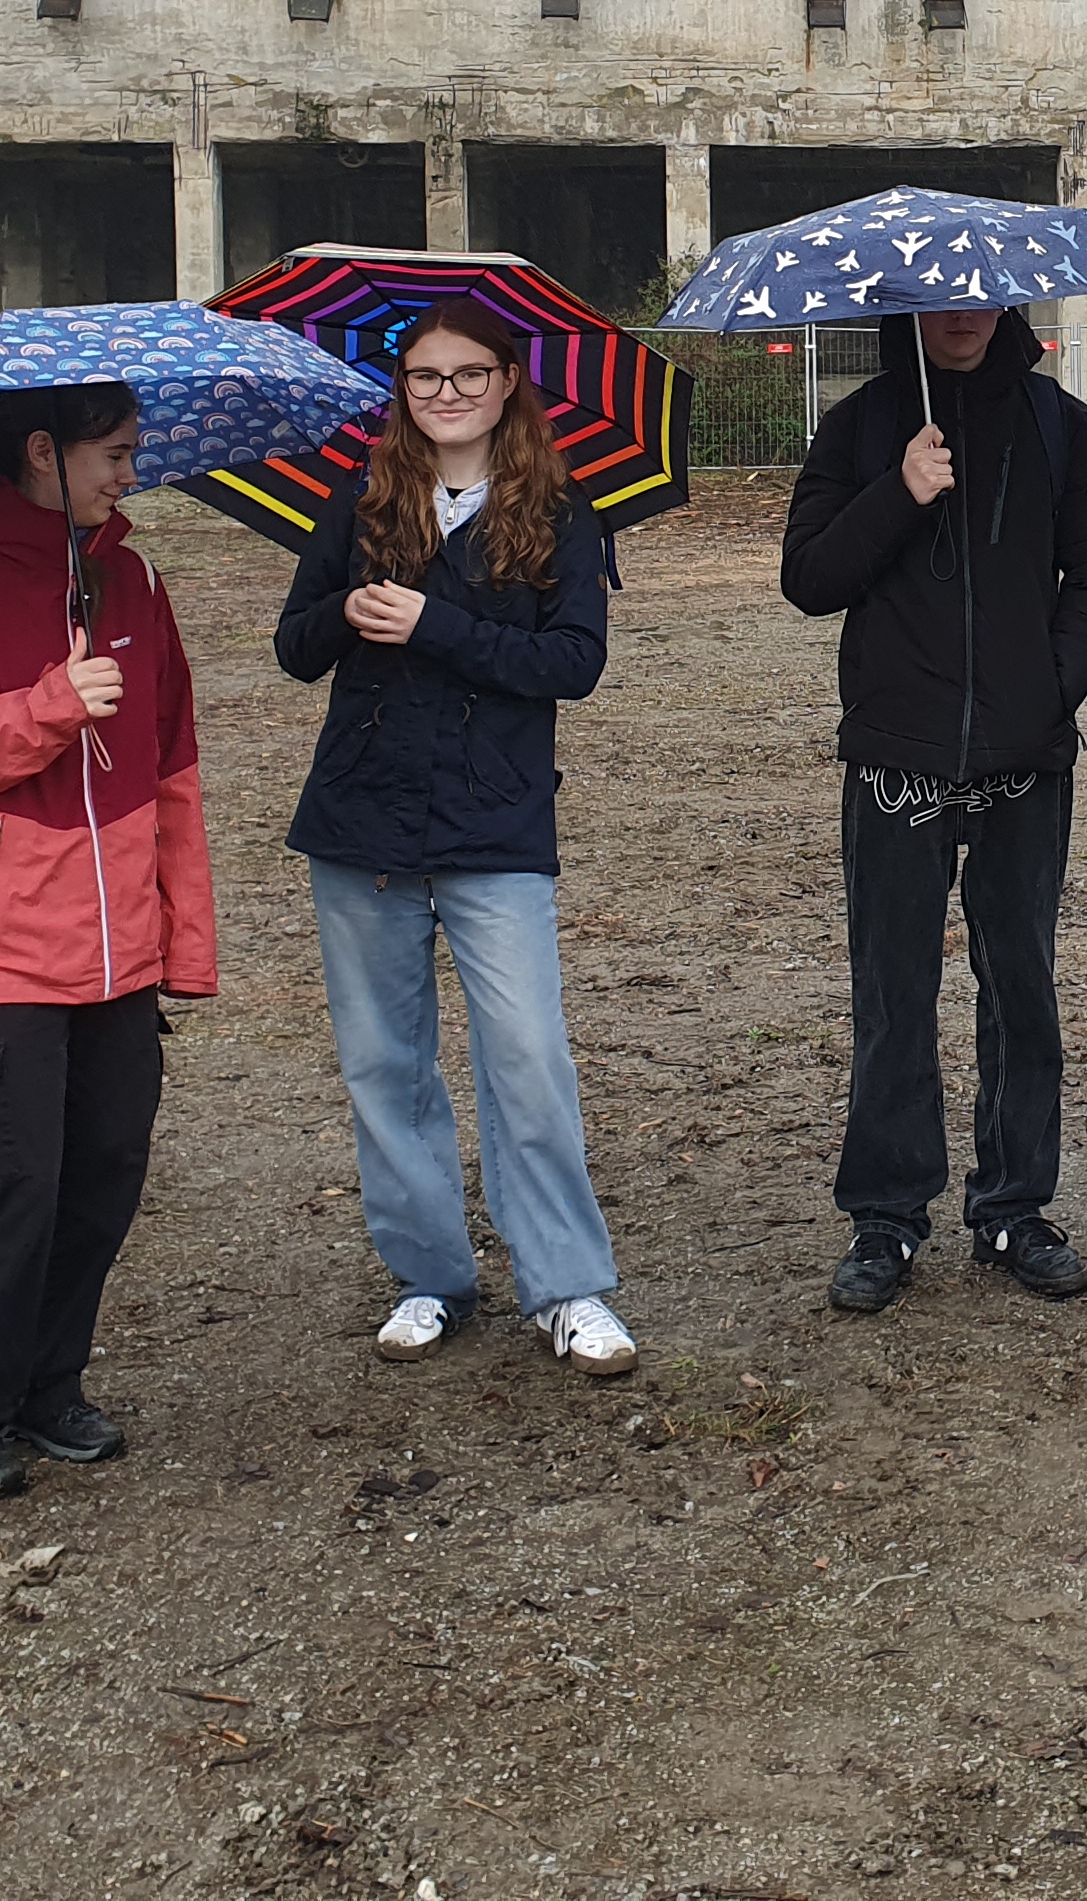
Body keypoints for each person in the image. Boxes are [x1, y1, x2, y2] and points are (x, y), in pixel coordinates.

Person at [277, 300, 639, 1379]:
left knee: (528, 1058)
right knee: (386, 1064)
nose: (448, 395)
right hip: (363, 820)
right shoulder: (361, 500)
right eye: (427, 378)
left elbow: (572, 664)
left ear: (507, 382)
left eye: (469, 375)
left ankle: (568, 1287)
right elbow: (295, 648)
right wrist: (348, 611)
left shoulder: (562, 515)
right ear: (404, 391)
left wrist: (437, 624)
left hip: (495, 822)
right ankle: (429, 1275)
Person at [0, 386, 214, 1498]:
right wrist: (47, 705)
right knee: (14, 1184)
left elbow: (172, 773)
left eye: (132, 452)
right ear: (38, 453)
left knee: (105, 1171)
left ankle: (47, 1385)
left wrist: (182, 941)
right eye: (112, 455)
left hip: (120, 954)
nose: (129, 474)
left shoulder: (137, 582)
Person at [781, 304, 1087, 1314]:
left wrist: (1053, 685)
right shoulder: (859, 426)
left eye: (981, 301)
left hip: (1027, 755)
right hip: (898, 755)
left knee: (1019, 980)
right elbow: (807, 577)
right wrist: (897, 492)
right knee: (893, 988)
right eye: (941, 303)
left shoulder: (1062, 424)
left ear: (1009, 305)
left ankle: (1014, 1205)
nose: (962, 320)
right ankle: (887, 1218)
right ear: (908, 310)